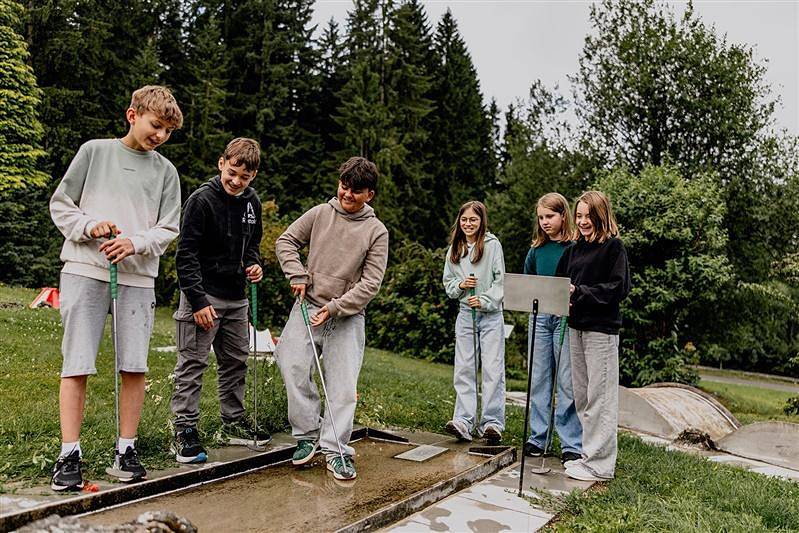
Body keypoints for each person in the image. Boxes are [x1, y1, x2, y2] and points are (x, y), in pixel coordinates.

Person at [49, 85, 183, 490]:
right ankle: (68, 454)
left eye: (167, 131)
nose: (159, 135)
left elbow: (168, 227)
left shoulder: (166, 172)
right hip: (85, 269)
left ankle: (126, 449)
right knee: (77, 362)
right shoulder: (94, 151)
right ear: (132, 115)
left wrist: (135, 242)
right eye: (154, 125)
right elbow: (62, 204)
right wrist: (91, 226)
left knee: (134, 365)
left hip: (137, 279)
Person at [274, 156, 389, 480]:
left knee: (342, 388)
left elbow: (371, 283)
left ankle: (336, 450)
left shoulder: (375, 231)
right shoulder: (320, 213)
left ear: (370, 194)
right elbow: (286, 241)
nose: (347, 194)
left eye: (355, 191)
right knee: (292, 363)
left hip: (347, 316)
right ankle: (307, 436)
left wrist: (337, 307)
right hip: (307, 304)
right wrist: (296, 273)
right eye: (343, 187)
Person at [170, 138, 270, 464]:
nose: (236, 181)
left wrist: (253, 264)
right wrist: (198, 301)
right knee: (193, 363)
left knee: (236, 361)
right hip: (203, 297)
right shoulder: (201, 200)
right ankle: (184, 429)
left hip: (236, 297)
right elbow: (185, 255)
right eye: (232, 173)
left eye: (244, 177)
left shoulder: (252, 203)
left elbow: (252, 244)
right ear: (221, 164)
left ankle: (234, 420)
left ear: (253, 177)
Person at [556, 190, 630, 482]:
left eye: (589, 216)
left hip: (601, 330)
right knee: (583, 396)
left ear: (601, 216)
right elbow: (560, 283)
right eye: (579, 216)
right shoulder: (573, 250)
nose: (583, 221)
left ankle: (601, 466)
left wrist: (581, 292)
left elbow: (618, 288)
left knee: (600, 397)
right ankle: (588, 458)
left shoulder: (614, 248)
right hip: (576, 327)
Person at [523, 193, 583, 467]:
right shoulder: (536, 251)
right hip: (540, 319)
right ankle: (538, 438)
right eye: (541, 217)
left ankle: (571, 443)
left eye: (550, 216)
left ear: (563, 216)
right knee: (539, 379)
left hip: (565, 319)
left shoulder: (574, 248)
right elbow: (528, 283)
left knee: (567, 383)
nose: (545, 222)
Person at [442, 201, 506, 443]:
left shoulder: (492, 245)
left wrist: (486, 300)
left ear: (481, 222)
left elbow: (500, 280)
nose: (468, 224)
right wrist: (460, 286)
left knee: (492, 368)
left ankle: (492, 422)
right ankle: (464, 419)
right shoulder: (455, 249)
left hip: (490, 316)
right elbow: (448, 281)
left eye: (473, 220)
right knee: (465, 366)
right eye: (464, 220)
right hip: (465, 314)